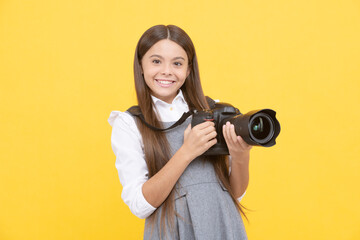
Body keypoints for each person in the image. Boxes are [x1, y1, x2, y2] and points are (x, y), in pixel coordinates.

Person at [108, 25, 252, 240]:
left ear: (188, 69)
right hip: (172, 231)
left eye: (177, 63)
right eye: (156, 61)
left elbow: (235, 194)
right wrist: (186, 152)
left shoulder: (213, 110)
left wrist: (241, 155)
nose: (166, 71)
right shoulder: (129, 124)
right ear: (140, 65)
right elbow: (140, 205)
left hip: (222, 224)